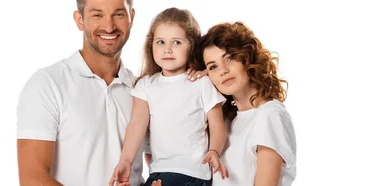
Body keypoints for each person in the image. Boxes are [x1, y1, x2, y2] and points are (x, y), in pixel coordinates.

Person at [15, 0, 147, 185]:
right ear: (79, 20)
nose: (109, 27)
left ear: (131, 18)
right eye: (97, 15)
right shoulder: (47, 83)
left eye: (118, 14)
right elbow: (33, 179)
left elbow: (167, 164)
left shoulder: (143, 90)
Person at [109, 7, 229, 186]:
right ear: (151, 45)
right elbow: (136, 126)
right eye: (161, 42)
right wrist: (126, 160)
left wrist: (214, 151)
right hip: (159, 171)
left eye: (177, 42)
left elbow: (217, 125)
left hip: (192, 171)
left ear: (192, 45)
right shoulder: (146, 85)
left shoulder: (201, 82)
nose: (168, 49)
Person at [194, 22, 297, 186]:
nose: (223, 70)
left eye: (229, 58)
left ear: (246, 57)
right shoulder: (226, 122)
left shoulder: (269, 115)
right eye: (213, 67)